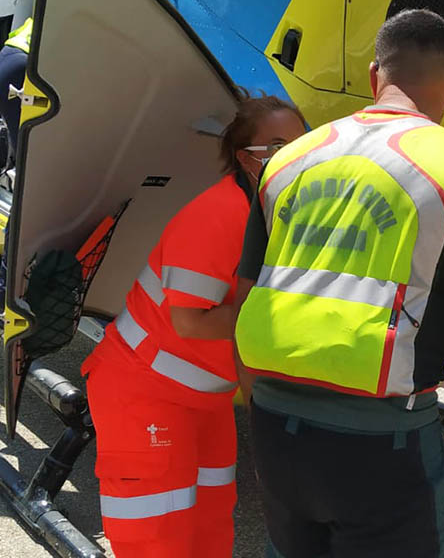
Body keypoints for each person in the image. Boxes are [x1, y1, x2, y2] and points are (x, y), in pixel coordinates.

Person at [233, 9, 444, 558]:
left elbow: (247, 298)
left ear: (375, 76)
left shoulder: (286, 162)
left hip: (276, 425)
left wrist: (264, 413)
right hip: (384, 442)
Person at [81, 93, 307, 558]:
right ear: (248, 159)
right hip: (146, 393)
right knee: (156, 537)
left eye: (305, 146)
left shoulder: (273, 214)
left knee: (210, 523)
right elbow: (191, 323)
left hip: (206, 398)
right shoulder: (219, 215)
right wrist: (285, 313)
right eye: (281, 147)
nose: (298, 159)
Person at [0, 15, 32, 309]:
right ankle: (5, 294)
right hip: (27, 67)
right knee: (35, 188)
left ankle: (7, 290)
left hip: (11, 57)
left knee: (33, 178)